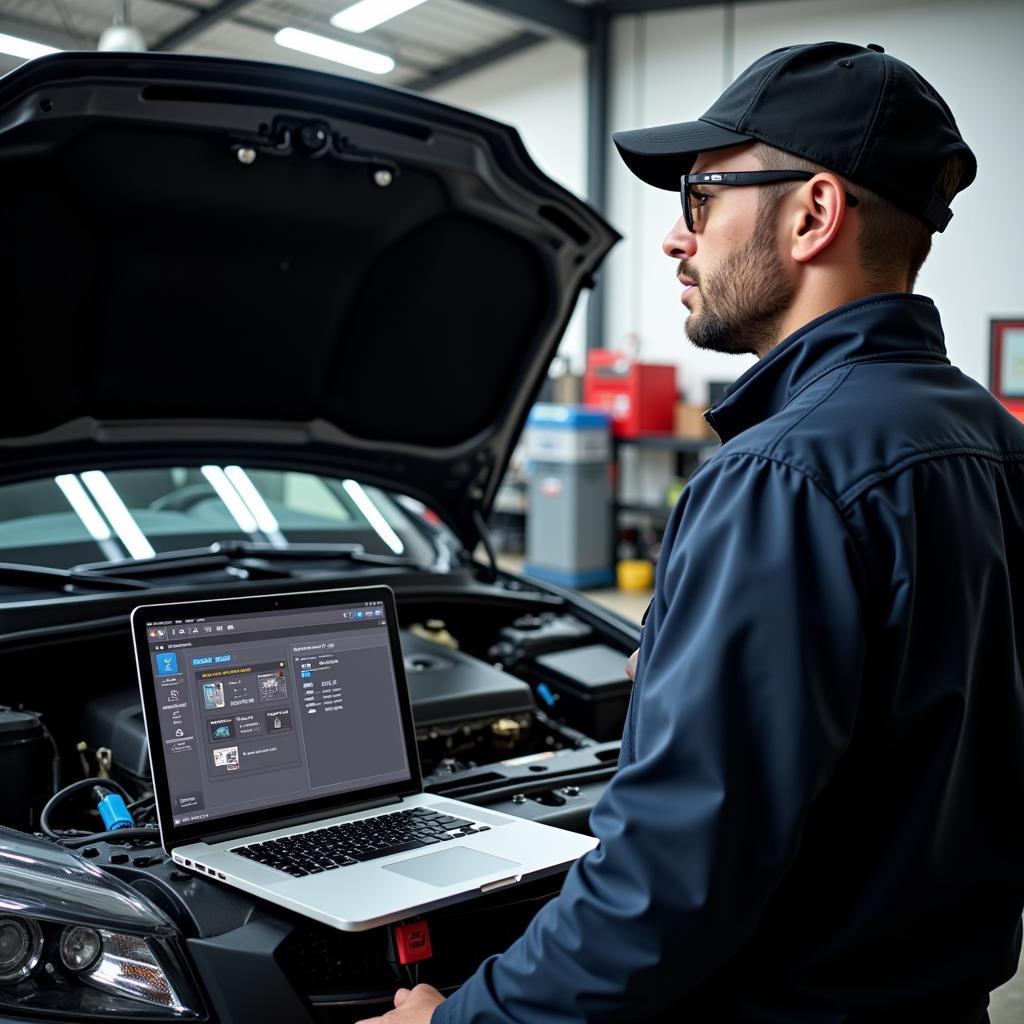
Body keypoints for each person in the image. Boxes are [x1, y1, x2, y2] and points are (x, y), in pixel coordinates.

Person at [357, 41, 1024, 1024]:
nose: (677, 239)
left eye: (701, 198)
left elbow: (667, 887)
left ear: (813, 214)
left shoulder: (779, 477)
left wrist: (456, 1022)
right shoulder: (986, 438)